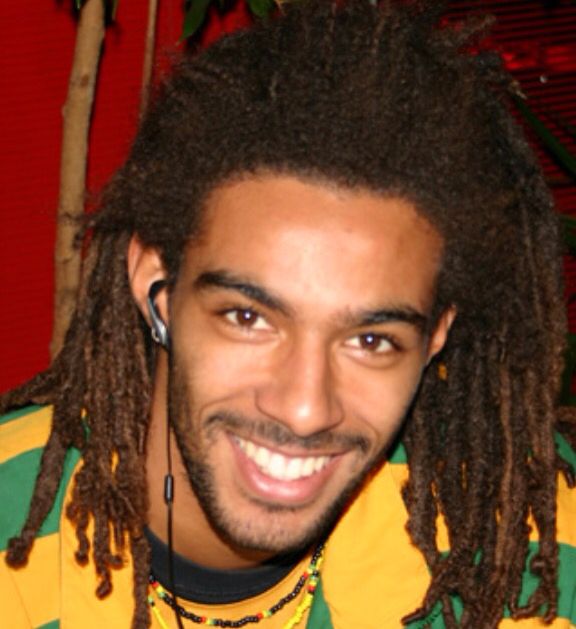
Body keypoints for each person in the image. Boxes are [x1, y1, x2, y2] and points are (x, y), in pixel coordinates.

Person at [1, 1, 575, 627]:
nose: (304, 410)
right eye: (248, 318)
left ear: (435, 336)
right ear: (156, 284)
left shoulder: (521, 545)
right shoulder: (14, 534)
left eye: (372, 340)